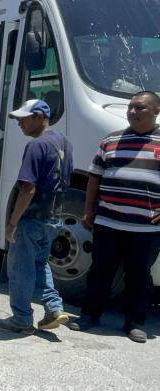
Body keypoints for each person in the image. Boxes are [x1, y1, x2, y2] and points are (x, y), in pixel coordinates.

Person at [69, 91, 160, 343]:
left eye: (139, 108)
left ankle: (134, 322)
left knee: (139, 275)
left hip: (146, 227)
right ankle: (89, 315)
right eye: (130, 107)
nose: (132, 112)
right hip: (108, 221)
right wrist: (89, 209)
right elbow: (94, 177)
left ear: (156, 111)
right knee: (100, 270)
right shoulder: (111, 139)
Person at [0, 99, 73, 334]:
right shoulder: (64, 142)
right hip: (53, 216)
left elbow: (28, 188)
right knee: (40, 263)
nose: (19, 123)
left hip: (32, 217)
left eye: (23, 118)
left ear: (39, 116)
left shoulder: (36, 146)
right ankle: (54, 308)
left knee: (19, 268)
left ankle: (21, 318)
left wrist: (12, 223)